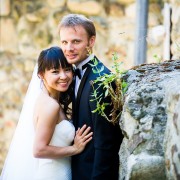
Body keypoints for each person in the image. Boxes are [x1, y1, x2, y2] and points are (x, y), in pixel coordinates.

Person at [0, 46, 93, 180]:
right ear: (41, 75)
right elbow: (39, 150)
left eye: (67, 69)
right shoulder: (50, 106)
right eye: (55, 71)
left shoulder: (47, 100)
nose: (63, 76)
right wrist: (74, 149)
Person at [58, 14, 124, 180]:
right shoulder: (70, 74)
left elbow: (106, 144)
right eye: (64, 42)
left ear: (91, 41)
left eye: (76, 41)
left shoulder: (101, 80)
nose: (68, 48)